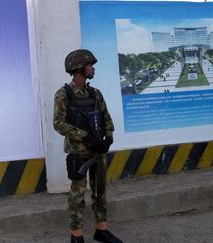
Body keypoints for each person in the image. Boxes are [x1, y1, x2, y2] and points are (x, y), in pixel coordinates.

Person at [53, 49, 122, 243]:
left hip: (98, 151)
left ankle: (101, 230)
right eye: (90, 65)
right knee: (77, 195)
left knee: (100, 191)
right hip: (79, 153)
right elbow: (58, 123)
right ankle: (77, 236)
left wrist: (108, 137)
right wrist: (85, 137)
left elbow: (106, 117)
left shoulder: (95, 93)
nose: (93, 69)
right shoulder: (63, 94)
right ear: (79, 69)